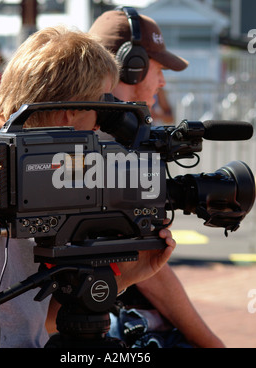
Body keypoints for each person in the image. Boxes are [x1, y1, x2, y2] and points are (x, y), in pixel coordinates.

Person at [0, 26, 175, 347]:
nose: (101, 125)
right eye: (99, 107)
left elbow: (43, 317)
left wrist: (124, 275)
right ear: (70, 111)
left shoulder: (62, 160)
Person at [89, 7, 225, 348]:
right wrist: (212, 344)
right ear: (131, 66)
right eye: (159, 68)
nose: (163, 80)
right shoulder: (106, 144)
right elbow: (150, 272)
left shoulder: (95, 127)